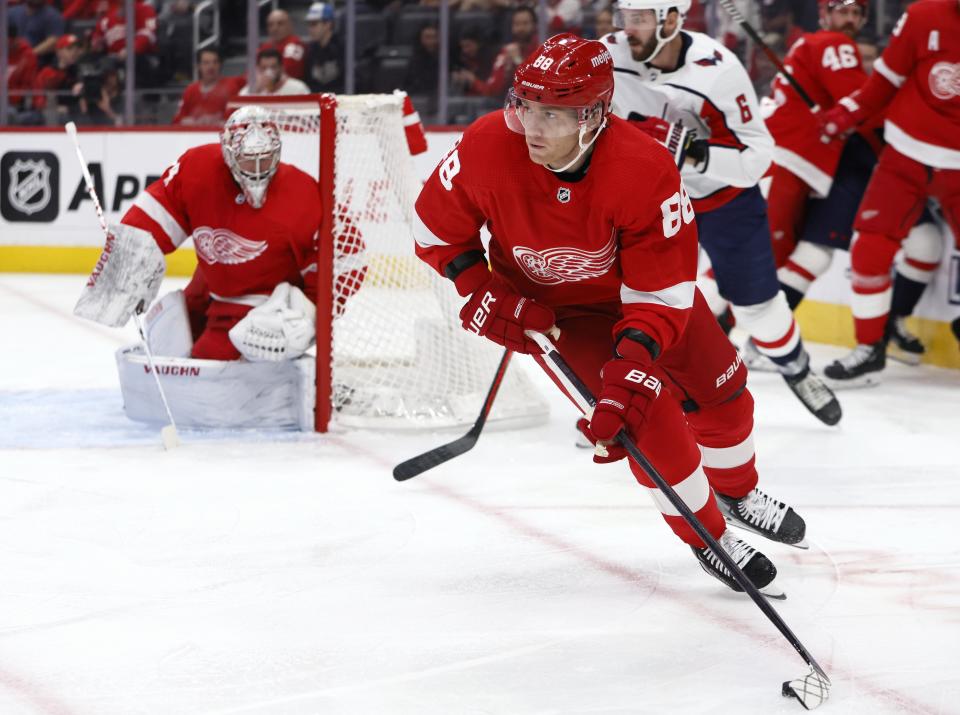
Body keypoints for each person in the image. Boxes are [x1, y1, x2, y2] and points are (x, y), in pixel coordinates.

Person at [413, 33, 811, 598]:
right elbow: (434, 231)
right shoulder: (483, 147)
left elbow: (661, 290)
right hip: (559, 317)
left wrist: (632, 364)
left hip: (647, 300)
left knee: (725, 398)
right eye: (526, 105)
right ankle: (710, 538)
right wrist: (480, 288)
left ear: (597, 113)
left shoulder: (643, 168)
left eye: (554, 113)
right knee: (651, 425)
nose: (533, 127)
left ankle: (738, 492)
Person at [601, 0, 841, 426]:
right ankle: (618, 398)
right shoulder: (609, 55)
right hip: (651, 203)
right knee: (635, 304)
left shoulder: (718, 69)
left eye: (638, 19)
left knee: (758, 312)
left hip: (724, 198)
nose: (626, 29)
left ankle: (796, 367)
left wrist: (692, 152)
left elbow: (758, 157)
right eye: (623, 18)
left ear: (671, 20)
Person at [763, 0, 942, 367]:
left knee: (928, 243)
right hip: (852, 167)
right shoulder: (829, 46)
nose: (850, 19)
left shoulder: (885, 71)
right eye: (842, 10)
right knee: (813, 254)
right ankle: (765, 338)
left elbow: (868, 103)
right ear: (825, 14)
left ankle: (892, 324)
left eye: (856, 13)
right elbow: (863, 106)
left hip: (892, 167)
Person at [817, 0, 960, 383]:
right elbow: (886, 79)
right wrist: (849, 110)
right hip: (907, 152)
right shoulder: (924, 15)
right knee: (870, 246)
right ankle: (870, 348)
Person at [458, 7, 539, 97]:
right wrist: (474, 82)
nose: (521, 28)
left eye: (525, 23)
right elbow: (492, 91)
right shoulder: (506, 52)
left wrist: (517, 61)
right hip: (511, 106)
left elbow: (537, 87)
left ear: (535, 25)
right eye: (517, 24)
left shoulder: (544, 50)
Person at [172, 47, 244, 126]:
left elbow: (234, 120)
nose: (211, 66)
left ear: (220, 64)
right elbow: (177, 121)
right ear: (198, 66)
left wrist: (213, 122)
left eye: (215, 62)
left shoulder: (230, 86)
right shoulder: (190, 90)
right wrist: (194, 121)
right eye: (206, 63)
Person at [33, 33, 83, 118]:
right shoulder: (47, 73)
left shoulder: (80, 71)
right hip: (52, 117)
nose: (74, 52)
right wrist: (55, 108)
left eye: (77, 49)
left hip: (78, 117)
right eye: (69, 49)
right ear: (59, 51)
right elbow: (38, 99)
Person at [303, 1, 344, 94]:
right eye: (308, 24)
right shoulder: (311, 49)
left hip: (341, 101)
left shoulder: (343, 47)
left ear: (328, 24)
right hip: (316, 102)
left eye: (314, 24)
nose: (310, 29)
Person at [240, 48, 310, 97]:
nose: (268, 72)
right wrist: (256, 90)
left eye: (273, 67)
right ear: (258, 69)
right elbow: (239, 108)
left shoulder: (298, 88)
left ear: (282, 68)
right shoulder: (254, 89)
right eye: (264, 68)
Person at [259, 9, 306, 81]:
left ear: (290, 25)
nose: (275, 28)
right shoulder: (265, 46)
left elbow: (289, 72)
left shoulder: (295, 44)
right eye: (270, 25)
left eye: (280, 23)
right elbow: (250, 72)